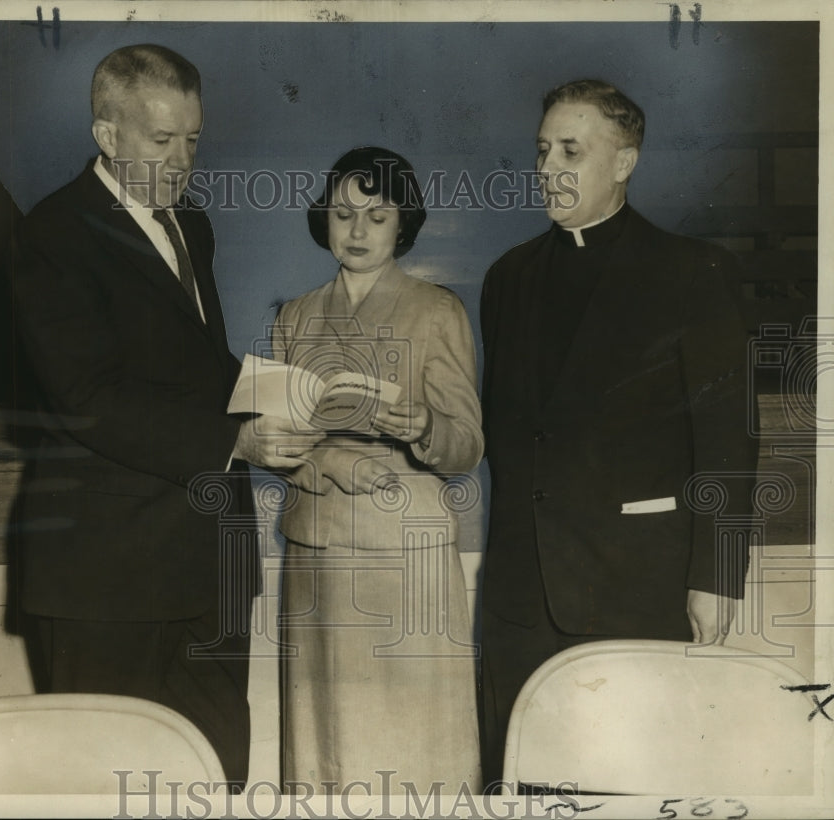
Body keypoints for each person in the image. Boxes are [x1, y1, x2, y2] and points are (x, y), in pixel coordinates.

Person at [7, 43, 318, 788]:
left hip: (209, 562)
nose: (182, 159)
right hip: (107, 576)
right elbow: (86, 398)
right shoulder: (51, 234)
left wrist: (290, 398)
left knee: (217, 776)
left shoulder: (190, 224)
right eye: (161, 139)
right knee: (103, 783)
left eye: (193, 138)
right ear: (107, 136)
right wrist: (235, 439)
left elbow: (187, 370)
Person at [477, 79, 758, 787]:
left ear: (625, 163)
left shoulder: (693, 273)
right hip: (520, 602)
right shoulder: (506, 279)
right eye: (542, 150)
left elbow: (729, 438)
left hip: (637, 590)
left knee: (633, 783)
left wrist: (717, 578)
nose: (548, 167)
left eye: (571, 150)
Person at [273, 146, 484, 794]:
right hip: (318, 552)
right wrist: (328, 460)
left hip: (407, 554)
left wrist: (425, 427)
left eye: (377, 214)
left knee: (414, 741)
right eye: (343, 214)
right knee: (327, 741)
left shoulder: (435, 310)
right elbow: (272, 440)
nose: (357, 231)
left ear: (403, 223)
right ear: (324, 221)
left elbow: (468, 443)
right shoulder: (295, 317)